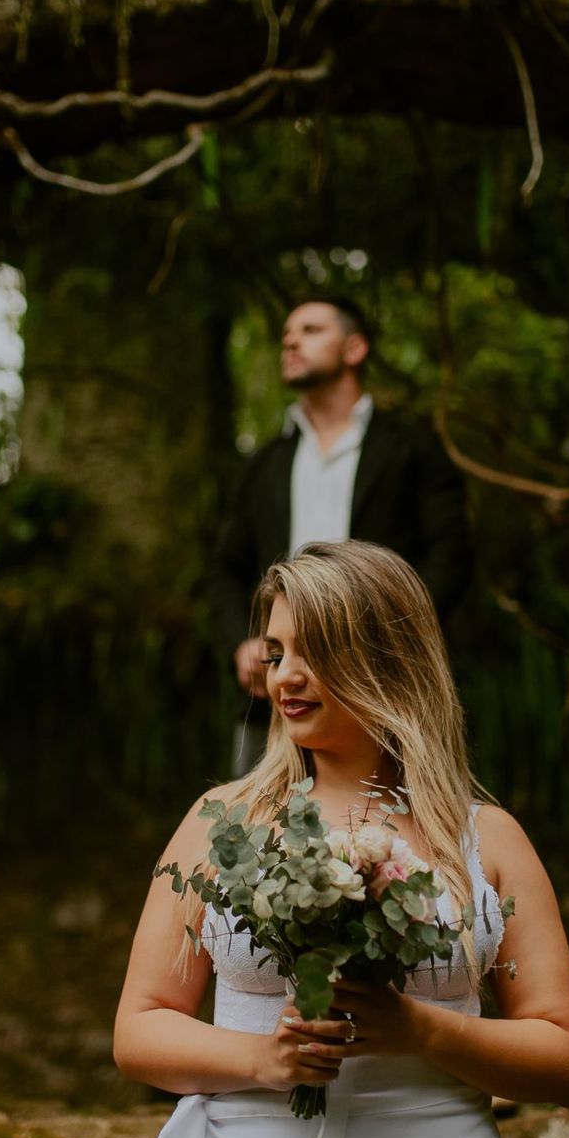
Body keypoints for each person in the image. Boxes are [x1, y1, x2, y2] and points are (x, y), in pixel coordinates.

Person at [117, 541, 569, 1138]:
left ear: (389, 658)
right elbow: (139, 1027)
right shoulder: (222, 822)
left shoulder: (487, 839)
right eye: (276, 654)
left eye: (314, 650)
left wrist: (421, 1028)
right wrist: (266, 1058)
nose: (285, 676)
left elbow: (564, 1061)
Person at [206, 298, 472, 778]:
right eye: (287, 332)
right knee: (256, 842)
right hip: (276, 698)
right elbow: (225, 566)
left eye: (309, 329)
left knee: (391, 840)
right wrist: (241, 644)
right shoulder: (265, 464)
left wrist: (387, 638)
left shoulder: (411, 449)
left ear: (354, 348)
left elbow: (451, 559)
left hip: (384, 689)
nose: (290, 340)